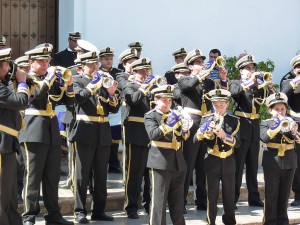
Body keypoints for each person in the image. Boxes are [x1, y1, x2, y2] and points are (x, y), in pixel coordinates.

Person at [19, 45, 75, 225]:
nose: (45, 64)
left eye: (47, 61)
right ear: (31, 62)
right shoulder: (26, 79)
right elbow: (38, 94)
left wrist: (68, 85)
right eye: (41, 61)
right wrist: (50, 77)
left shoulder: (50, 79)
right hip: (33, 131)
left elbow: (70, 102)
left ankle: (53, 214)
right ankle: (29, 215)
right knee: (33, 176)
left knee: (52, 177)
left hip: (51, 132)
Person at [68, 51, 119, 223]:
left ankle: (99, 210)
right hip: (84, 131)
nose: (95, 67)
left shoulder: (103, 82)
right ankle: (80, 211)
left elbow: (113, 109)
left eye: (96, 64)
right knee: (82, 175)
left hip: (102, 132)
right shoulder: (76, 80)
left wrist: (111, 94)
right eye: (91, 65)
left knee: (101, 175)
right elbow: (79, 99)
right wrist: (93, 85)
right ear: (81, 66)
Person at [178, 49, 221, 213]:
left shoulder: (208, 82)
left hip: (205, 123)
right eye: (198, 62)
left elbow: (219, 94)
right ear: (190, 66)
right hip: (191, 125)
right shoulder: (184, 80)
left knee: (203, 165)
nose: (202, 65)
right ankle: (180, 201)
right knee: (188, 165)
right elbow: (188, 85)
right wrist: (200, 75)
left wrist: (222, 78)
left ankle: (202, 201)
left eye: (202, 62)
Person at [145, 84, 189, 225]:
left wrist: (185, 127)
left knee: (177, 202)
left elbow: (183, 137)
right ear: (155, 100)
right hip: (160, 162)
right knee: (159, 203)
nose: (167, 104)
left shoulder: (175, 115)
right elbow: (153, 134)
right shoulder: (150, 116)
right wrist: (168, 124)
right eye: (164, 100)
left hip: (178, 160)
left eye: (169, 101)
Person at [195, 89, 240, 225]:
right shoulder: (206, 119)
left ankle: (230, 221)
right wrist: (202, 131)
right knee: (211, 196)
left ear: (227, 104)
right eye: (216, 105)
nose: (218, 108)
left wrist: (224, 136)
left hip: (228, 161)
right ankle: (211, 221)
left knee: (229, 196)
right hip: (212, 160)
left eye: (221, 105)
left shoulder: (234, 121)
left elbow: (238, 144)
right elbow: (194, 140)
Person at [229, 54, 266, 208]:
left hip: (254, 127)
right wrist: (249, 82)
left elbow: (264, 100)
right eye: (248, 68)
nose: (251, 71)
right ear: (241, 70)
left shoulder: (257, 85)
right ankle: (233, 197)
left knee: (252, 167)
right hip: (241, 126)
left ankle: (254, 197)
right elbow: (235, 94)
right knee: (238, 167)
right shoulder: (236, 83)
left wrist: (262, 84)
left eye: (252, 68)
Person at [260, 92, 300, 224]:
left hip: (289, 161)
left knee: (284, 196)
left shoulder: (291, 122)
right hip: (273, 161)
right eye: (277, 109)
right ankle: (270, 222)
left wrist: (294, 131)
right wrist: (277, 126)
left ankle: (283, 221)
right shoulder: (266, 123)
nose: (280, 112)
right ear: (270, 110)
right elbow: (265, 138)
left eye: (282, 109)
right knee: (271, 195)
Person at [122, 57, 154, 219]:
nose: (145, 73)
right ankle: (131, 207)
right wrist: (144, 88)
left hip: (150, 134)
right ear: (134, 72)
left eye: (147, 70)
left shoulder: (152, 87)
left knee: (150, 174)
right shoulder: (129, 86)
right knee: (134, 173)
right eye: (141, 71)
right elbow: (132, 101)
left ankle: (150, 204)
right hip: (135, 133)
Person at [0, 48, 29, 225]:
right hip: (2, 144)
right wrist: (22, 82)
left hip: (8, 143)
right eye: (6, 64)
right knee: (2, 193)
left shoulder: (4, 86)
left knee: (10, 193)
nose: (9, 68)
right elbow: (20, 102)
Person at [280, 54, 300, 206]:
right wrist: (295, 81)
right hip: (295, 122)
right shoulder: (287, 80)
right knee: (297, 160)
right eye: (298, 67)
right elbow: (282, 96)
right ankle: (298, 194)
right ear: (294, 68)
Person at [99, 47, 123, 173]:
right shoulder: (98, 73)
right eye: (106, 59)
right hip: (104, 108)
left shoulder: (118, 72)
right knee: (106, 139)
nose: (109, 61)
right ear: (100, 60)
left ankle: (114, 163)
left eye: (110, 59)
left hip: (116, 107)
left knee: (114, 139)